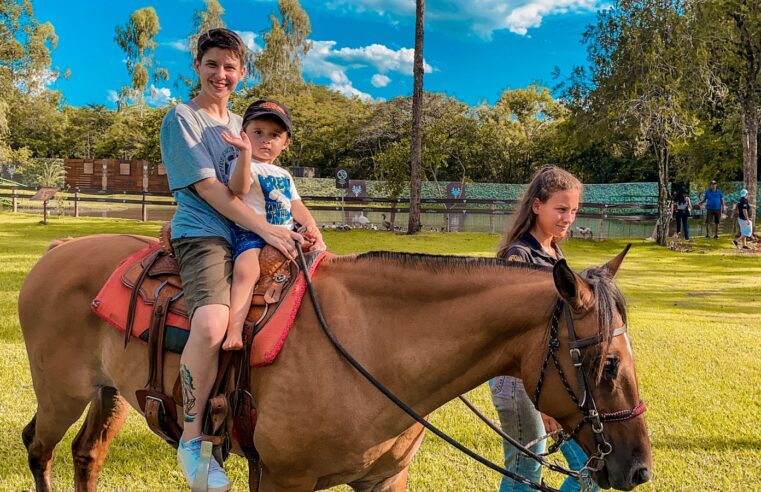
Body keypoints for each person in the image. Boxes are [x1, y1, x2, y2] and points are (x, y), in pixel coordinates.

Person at [160, 29, 307, 491]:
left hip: (250, 231)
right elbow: (210, 191)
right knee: (209, 323)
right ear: (198, 67)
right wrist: (265, 229)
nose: (220, 74)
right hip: (205, 233)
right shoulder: (183, 119)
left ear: (241, 74)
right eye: (211, 64)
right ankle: (190, 440)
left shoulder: (244, 124)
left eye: (229, 66)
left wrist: (304, 223)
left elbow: (272, 183)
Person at [492, 166, 599, 492]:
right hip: (518, 381)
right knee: (526, 464)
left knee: (590, 468)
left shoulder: (554, 252)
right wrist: (541, 404)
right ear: (537, 205)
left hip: (550, 381)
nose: (569, 217)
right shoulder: (519, 256)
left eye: (574, 210)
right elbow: (512, 334)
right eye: (561, 208)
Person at [220, 98, 324, 350]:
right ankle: (233, 330)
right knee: (247, 271)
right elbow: (238, 188)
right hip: (251, 233)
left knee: (320, 264)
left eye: (274, 135)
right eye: (258, 133)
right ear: (244, 134)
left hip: (286, 233)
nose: (266, 140)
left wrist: (311, 226)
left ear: (285, 143)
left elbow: (296, 205)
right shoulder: (242, 163)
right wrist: (244, 153)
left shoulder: (284, 175)